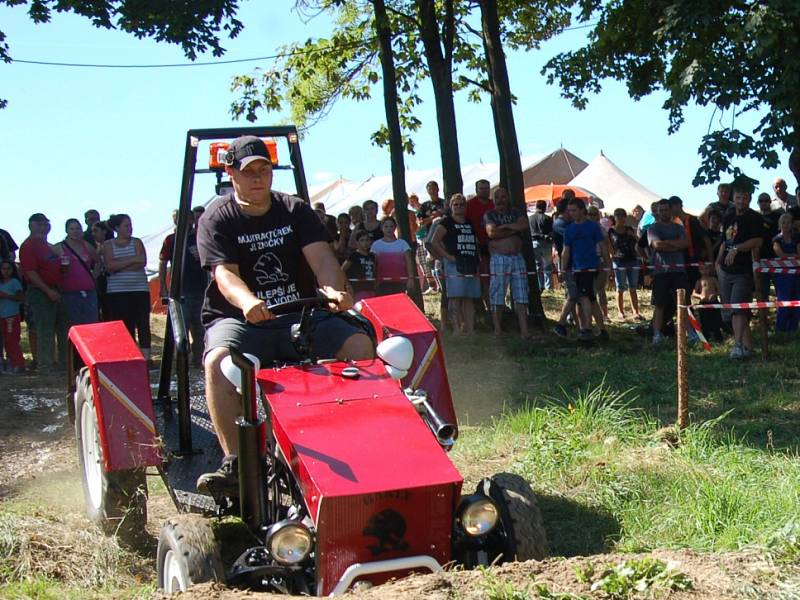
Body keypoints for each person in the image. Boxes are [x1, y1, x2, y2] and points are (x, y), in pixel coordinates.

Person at [195, 135, 373, 495]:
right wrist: (246, 301)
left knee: (359, 343)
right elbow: (224, 274)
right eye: (249, 172)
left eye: (264, 170)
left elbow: (322, 258)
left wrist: (333, 290)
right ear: (231, 173)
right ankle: (236, 465)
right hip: (243, 320)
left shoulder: (294, 210)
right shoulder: (217, 217)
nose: (258, 178)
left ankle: (358, 441)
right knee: (217, 362)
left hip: (301, 313)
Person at [716, 179, 763, 359]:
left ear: (750, 199)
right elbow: (724, 241)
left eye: (744, 198)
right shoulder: (728, 216)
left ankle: (737, 346)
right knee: (731, 311)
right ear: (733, 198)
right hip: (725, 271)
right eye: (738, 197)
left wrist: (738, 248)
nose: (741, 201)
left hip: (743, 270)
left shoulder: (754, 218)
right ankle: (747, 346)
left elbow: (757, 241)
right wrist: (718, 262)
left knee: (738, 308)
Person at [159, 210, 208, 368]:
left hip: (201, 289)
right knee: (181, 328)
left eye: (189, 219)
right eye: (182, 219)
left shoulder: (199, 238)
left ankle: (199, 360)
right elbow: (162, 263)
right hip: (180, 291)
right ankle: (182, 363)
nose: (188, 222)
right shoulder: (171, 240)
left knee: (201, 328)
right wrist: (163, 286)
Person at [19, 213, 68, 370]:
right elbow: (31, 273)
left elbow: (60, 268)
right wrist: (47, 290)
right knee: (45, 328)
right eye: (39, 224)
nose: (43, 228)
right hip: (40, 291)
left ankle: (64, 363)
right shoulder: (28, 246)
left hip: (57, 288)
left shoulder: (49, 245)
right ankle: (45, 365)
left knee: (62, 327)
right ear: (31, 226)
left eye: (45, 224)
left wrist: (63, 263)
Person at [103, 213, 152, 361]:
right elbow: (110, 265)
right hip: (118, 292)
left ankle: (146, 357)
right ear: (117, 227)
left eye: (130, 225)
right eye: (126, 225)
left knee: (143, 323)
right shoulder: (108, 245)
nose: (129, 228)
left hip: (140, 289)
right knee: (125, 325)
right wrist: (131, 261)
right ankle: (129, 356)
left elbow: (141, 261)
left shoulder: (136, 242)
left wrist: (120, 263)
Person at [429, 194, 480, 335]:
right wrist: (447, 257)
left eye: (461, 204)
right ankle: (456, 329)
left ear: (465, 206)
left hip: (470, 262)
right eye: (455, 204)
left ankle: (470, 329)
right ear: (450, 206)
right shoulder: (446, 222)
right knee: (455, 297)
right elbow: (433, 241)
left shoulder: (469, 222)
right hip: (454, 264)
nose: (458, 207)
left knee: (469, 297)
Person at [484, 188, 530, 338]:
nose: (500, 200)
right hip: (499, 258)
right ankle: (497, 330)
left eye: (503, 196)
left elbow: (523, 225)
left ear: (508, 198)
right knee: (497, 294)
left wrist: (504, 227)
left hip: (517, 257)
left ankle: (524, 331)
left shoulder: (515, 212)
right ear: (494, 200)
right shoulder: (490, 215)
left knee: (521, 294)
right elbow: (492, 233)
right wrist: (512, 229)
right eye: (497, 197)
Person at [561, 199, 607, 341]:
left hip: (590, 267)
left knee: (584, 297)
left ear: (582, 210)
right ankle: (602, 330)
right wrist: (563, 269)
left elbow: (602, 245)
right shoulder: (569, 229)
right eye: (569, 210)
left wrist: (608, 263)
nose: (572, 213)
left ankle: (587, 328)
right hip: (577, 268)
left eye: (574, 210)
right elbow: (566, 251)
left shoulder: (593, 227)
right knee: (591, 300)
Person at [647, 199, 692, 345]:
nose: (664, 212)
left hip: (678, 270)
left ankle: (690, 333)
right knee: (659, 304)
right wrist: (675, 244)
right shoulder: (653, 228)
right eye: (661, 210)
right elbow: (657, 245)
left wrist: (667, 243)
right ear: (657, 212)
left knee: (683, 303)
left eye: (666, 209)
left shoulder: (679, 227)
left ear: (670, 210)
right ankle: (657, 334)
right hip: (661, 271)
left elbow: (685, 243)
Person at [58, 218, 99, 327]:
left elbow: (99, 261)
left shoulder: (87, 246)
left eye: (77, 228)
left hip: (88, 290)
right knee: (73, 325)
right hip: (68, 292)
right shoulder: (59, 247)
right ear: (67, 231)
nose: (75, 231)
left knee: (91, 324)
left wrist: (94, 275)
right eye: (71, 229)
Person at [608, 208, 642, 321]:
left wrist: (633, 235)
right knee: (620, 287)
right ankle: (620, 312)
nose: (621, 217)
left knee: (633, 287)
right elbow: (607, 245)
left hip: (632, 260)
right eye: (618, 215)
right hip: (619, 262)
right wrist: (612, 254)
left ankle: (636, 312)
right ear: (615, 217)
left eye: (623, 215)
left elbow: (639, 242)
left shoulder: (630, 229)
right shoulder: (611, 231)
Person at [466, 179, 494, 311]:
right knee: (481, 278)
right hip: (476, 246)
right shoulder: (470, 205)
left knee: (491, 277)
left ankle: (492, 306)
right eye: (482, 188)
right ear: (476, 190)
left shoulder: (493, 205)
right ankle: (485, 306)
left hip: (493, 246)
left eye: (486, 188)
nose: (484, 190)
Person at [371, 216, 415, 296]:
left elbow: (409, 261)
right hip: (382, 283)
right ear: (381, 228)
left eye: (391, 226)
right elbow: (373, 264)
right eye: (386, 226)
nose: (389, 229)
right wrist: (373, 280)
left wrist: (410, 278)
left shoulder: (402, 243)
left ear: (395, 227)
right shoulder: (376, 245)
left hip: (400, 282)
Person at [771, 212, 800, 332]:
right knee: (784, 302)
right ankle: (780, 330)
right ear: (779, 224)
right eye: (783, 222)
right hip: (782, 275)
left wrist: (792, 256)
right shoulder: (776, 239)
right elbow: (781, 255)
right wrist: (792, 256)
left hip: (797, 274)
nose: (786, 225)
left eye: (788, 222)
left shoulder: (797, 237)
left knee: (797, 303)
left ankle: (793, 330)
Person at [415, 187, 443, 293]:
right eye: (430, 189)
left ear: (438, 189)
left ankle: (442, 284)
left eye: (434, 189)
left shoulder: (443, 203)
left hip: (443, 236)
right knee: (430, 260)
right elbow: (420, 222)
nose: (432, 191)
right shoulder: (425, 205)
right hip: (429, 235)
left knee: (440, 259)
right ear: (427, 191)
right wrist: (432, 217)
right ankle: (435, 285)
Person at [0, 259, 25, 373]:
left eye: (8, 269)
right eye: (3, 269)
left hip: (11, 316)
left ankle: (18, 364)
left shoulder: (14, 282)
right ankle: (10, 362)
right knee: (5, 341)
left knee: (12, 340)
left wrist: (5, 295)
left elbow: (20, 297)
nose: (5, 271)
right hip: (2, 316)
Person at [587, 206, 611, 320]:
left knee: (601, 289)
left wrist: (609, 262)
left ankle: (605, 314)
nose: (592, 216)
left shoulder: (601, 229)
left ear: (598, 216)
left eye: (594, 214)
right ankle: (591, 314)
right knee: (590, 290)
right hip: (587, 260)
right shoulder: (583, 228)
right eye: (590, 214)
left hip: (600, 260)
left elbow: (606, 245)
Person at [757, 192, 781, 300]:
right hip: (761, 258)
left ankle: (783, 316)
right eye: (761, 200)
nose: (764, 202)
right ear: (758, 203)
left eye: (766, 200)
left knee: (780, 291)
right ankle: (763, 317)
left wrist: (776, 239)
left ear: (770, 202)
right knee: (762, 293)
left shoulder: (778, 216)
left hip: (777, 257)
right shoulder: (755, 218)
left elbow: (784, 232)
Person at [342, 229, 377, 302]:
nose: (365, 243)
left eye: (367, 240)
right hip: (358, 289)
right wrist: (348, 285)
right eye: (362, 240)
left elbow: (374, 270)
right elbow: (342, 270)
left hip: (371, 288)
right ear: (357, 242)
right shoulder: (354, 255)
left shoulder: (372, 256)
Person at [692, 263, 723, 342]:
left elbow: (720, 291)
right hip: (703, 304)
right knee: (704, 322)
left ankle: (718, 338)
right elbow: (694, 293)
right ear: (699, 271)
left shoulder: (713, 279)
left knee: (716, 321)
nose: (705, 271)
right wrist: (700, 296)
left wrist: (714, 294)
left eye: (706, 269)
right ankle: (706, 339)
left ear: (709, 269)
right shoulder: (699, 281)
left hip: (714, 303)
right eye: (702, 269)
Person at [529, 200, 553, 290]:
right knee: (547, 266)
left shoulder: (530, 218)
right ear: (545, 207)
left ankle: (540, 286)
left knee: (537, 266)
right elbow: (551, 232)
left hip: (534, 242)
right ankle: (548, 287)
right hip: (545, 242)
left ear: (536, 206)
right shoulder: (547, 218)